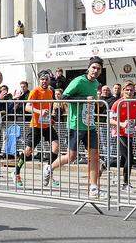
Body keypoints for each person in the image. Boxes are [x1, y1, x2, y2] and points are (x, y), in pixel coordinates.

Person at [43, 56, 105, 198]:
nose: (95, 71)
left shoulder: (96, 83)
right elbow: (64, 98)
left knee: (94, 157)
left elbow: (94, 101)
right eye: (93, 67)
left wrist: (99, 102)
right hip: (76, 124)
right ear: (88, 68)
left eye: (98, 69)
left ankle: (94, 188)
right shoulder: (78, 81)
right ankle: (49, 168)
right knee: (71, 157)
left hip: (90, 125)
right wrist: (84, 99)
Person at [14, 72, 59, 188]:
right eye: (42, 79)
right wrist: (40, 112)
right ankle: (16, 172)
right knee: (28, 151)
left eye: (46, 79)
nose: (44, 81)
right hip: (36, 126)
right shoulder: (35, 91)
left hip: (47, 125)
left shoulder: (50, 91)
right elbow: (27, 107)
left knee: (56, 147)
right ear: (39, 80)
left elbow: (49, 107)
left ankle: (48, 171)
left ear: (49, 80)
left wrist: (51, 117)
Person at [109, 82, 136, 193]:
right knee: (129, 157)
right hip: (119, 132)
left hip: (130, 133)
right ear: (123, 91)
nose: (129, 92)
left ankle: (104, 165)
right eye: (127, 90)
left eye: (131, 90)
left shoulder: (135, 102)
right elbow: (110, 120)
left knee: (124, 159)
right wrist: (121, 124)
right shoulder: (118, 103)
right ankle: (126, 184)